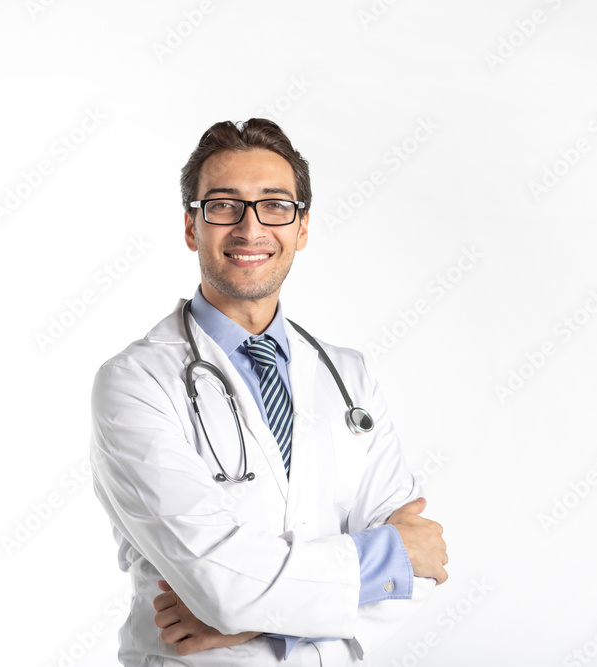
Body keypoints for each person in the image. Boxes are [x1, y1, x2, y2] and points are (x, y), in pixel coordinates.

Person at [90, 118, 448, 666]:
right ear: (192, 227)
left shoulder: (350, 377)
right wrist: (383, 565)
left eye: (275, 205)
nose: (250, 228)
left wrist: (259, 624)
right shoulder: (134, 384)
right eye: (224, 205)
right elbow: (218, 583)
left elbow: (422, 567)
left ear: (302, 229)